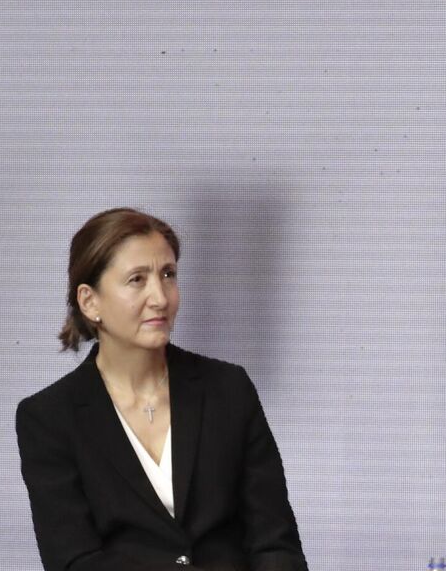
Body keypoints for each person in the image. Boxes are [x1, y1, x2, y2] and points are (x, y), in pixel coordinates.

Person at [16, 208, 307, 571]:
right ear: (90, 301)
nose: (161, 297)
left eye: (168, 275)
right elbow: (74, 560)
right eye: (137, 279)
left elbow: (275, 543)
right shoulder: (49, 417)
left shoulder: (228, 389)